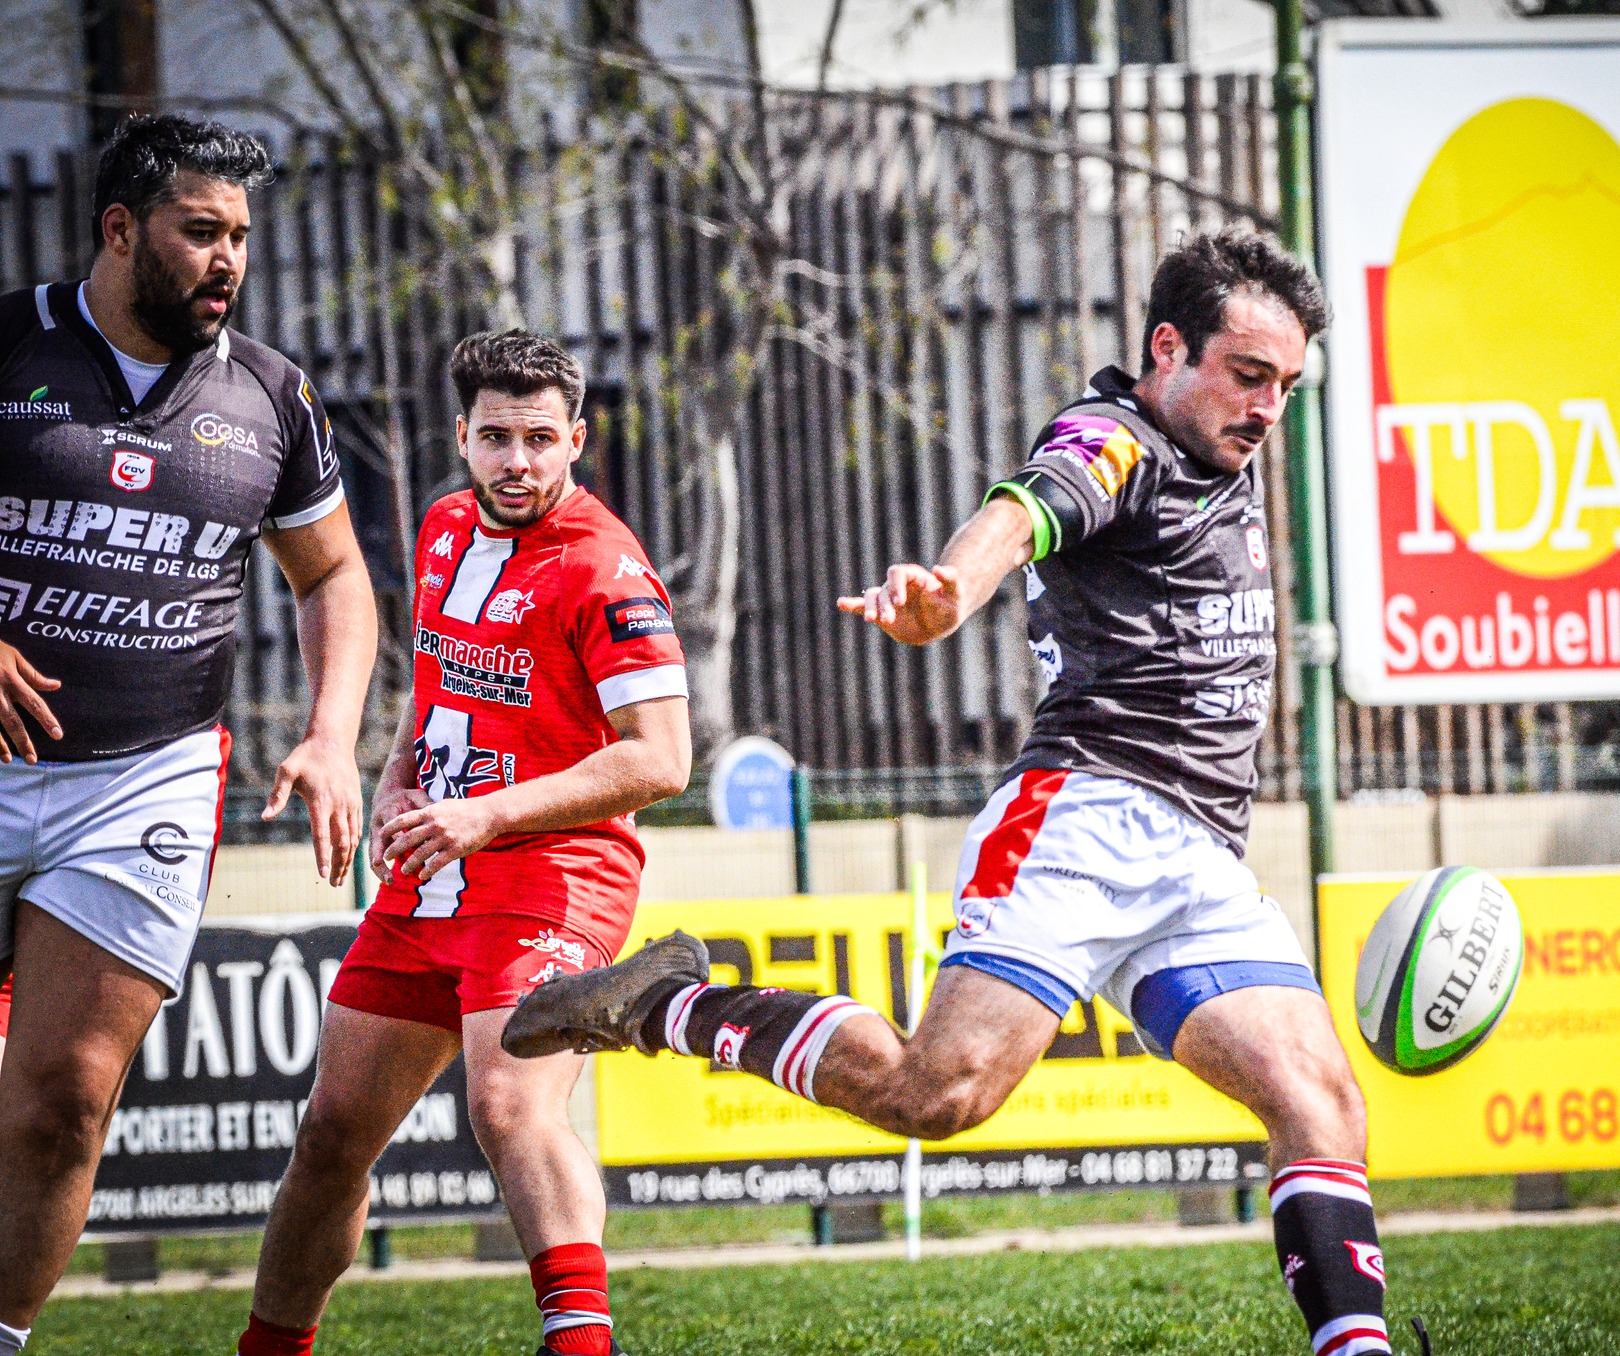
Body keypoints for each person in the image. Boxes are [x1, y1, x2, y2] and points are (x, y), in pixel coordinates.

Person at [506, 230, 1398, 1356]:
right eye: (1247, 374)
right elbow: (1027, 505)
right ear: (1165, 349)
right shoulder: (1113, 439)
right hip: (1082, 818)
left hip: (1201, 856)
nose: (1266, 407)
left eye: (1285, 385)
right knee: (940, 1095)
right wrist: (949, 589)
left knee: (1321, 1104)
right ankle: (662, 1003)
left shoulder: (1223, 448)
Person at [0, 114, 376, 1354]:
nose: (228, 261)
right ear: (120, 230)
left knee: (63, 1103)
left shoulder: (269, 396)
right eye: (200, 232)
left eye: (242, 239)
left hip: (146, 779)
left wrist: (331, 737)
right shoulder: (9, 345)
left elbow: (333, 580)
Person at [236, 331, 691, 1356]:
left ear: (576, 439)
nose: (517, 462)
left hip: (553, 871)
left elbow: (663, 760)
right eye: (496, 437)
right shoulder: (443, 525)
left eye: (540, 439)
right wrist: (397, 768)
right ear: (463, 438)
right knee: (332, 1133)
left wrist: (486, 813)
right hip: (434, 866)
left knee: (508, 1103)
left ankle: (581, 1344)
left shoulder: (605, 570)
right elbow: (440, 671)